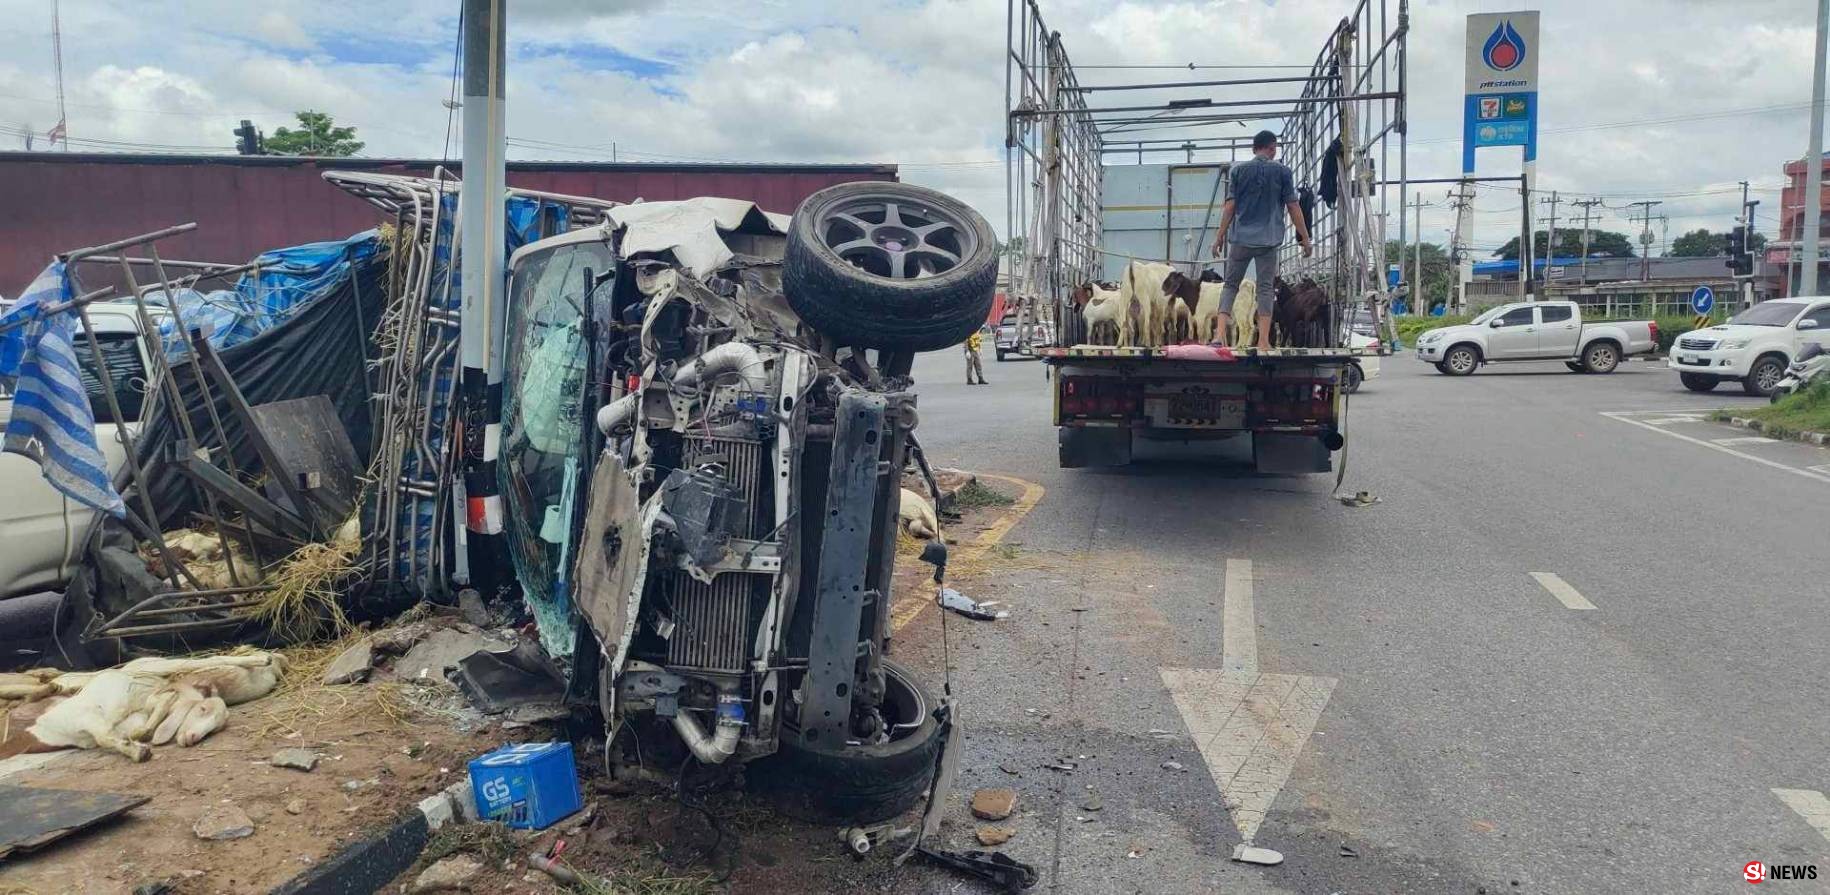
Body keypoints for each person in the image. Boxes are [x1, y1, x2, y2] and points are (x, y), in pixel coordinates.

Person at [1210, 129, 1313, 351]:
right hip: (1268, 241)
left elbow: (1230, 207)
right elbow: (1293, 206)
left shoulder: (1239, 172)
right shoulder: (1283, 172)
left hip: (1241, 240)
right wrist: (1305, 238)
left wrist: (1218, 237)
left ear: (1254, 148)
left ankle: (1219, 334)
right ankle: (1264, 341)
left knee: (1230, 285)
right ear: (1272, 147)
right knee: (1265, 289)